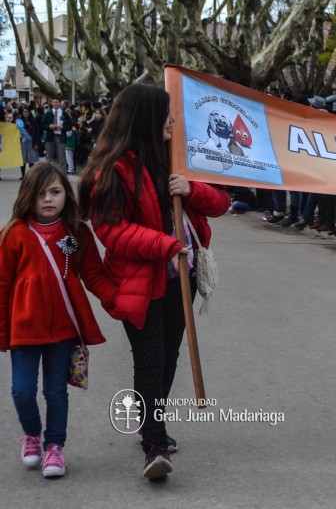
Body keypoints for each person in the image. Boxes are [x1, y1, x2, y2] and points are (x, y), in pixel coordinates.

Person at [78, 84, 230, 480]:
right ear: (146, 117)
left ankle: (150, 423)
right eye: (167, 114)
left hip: (184, 278)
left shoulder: (180, 157)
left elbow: (221, 203)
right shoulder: (110, 170)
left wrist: (190, 188)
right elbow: (112, 231)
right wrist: (165, 246)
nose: (174, 121)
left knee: (170, 356)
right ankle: (154, 446)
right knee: (151, 359)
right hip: (139, 284)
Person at [0, 163, 117, 479]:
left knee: (56, 392)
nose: (48, 199)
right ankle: (32, 435)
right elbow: (2, 285)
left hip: (65, 329)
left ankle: (55, 447)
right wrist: (2, 331)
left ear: (66, 193)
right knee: (21, 391)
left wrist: (117, 299)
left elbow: (93, 273)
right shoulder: (14, 234)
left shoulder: (77, 232)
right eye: (41, 194)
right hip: (23, 330)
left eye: (55, 191)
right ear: (29, 196)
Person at [41, 99, 72, 172]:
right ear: (51, 103)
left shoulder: (64, 113)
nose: (55, 103)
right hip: (50, 138)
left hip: (60, 137)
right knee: (49, 158)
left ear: (60, 103)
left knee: (62, 158)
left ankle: (63, 176)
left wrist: (63, 127)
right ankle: (49, 176)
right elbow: (42, 125)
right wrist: (49, 126)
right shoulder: (48, 113)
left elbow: (70, 126)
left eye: (57, 102)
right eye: (54, 102)